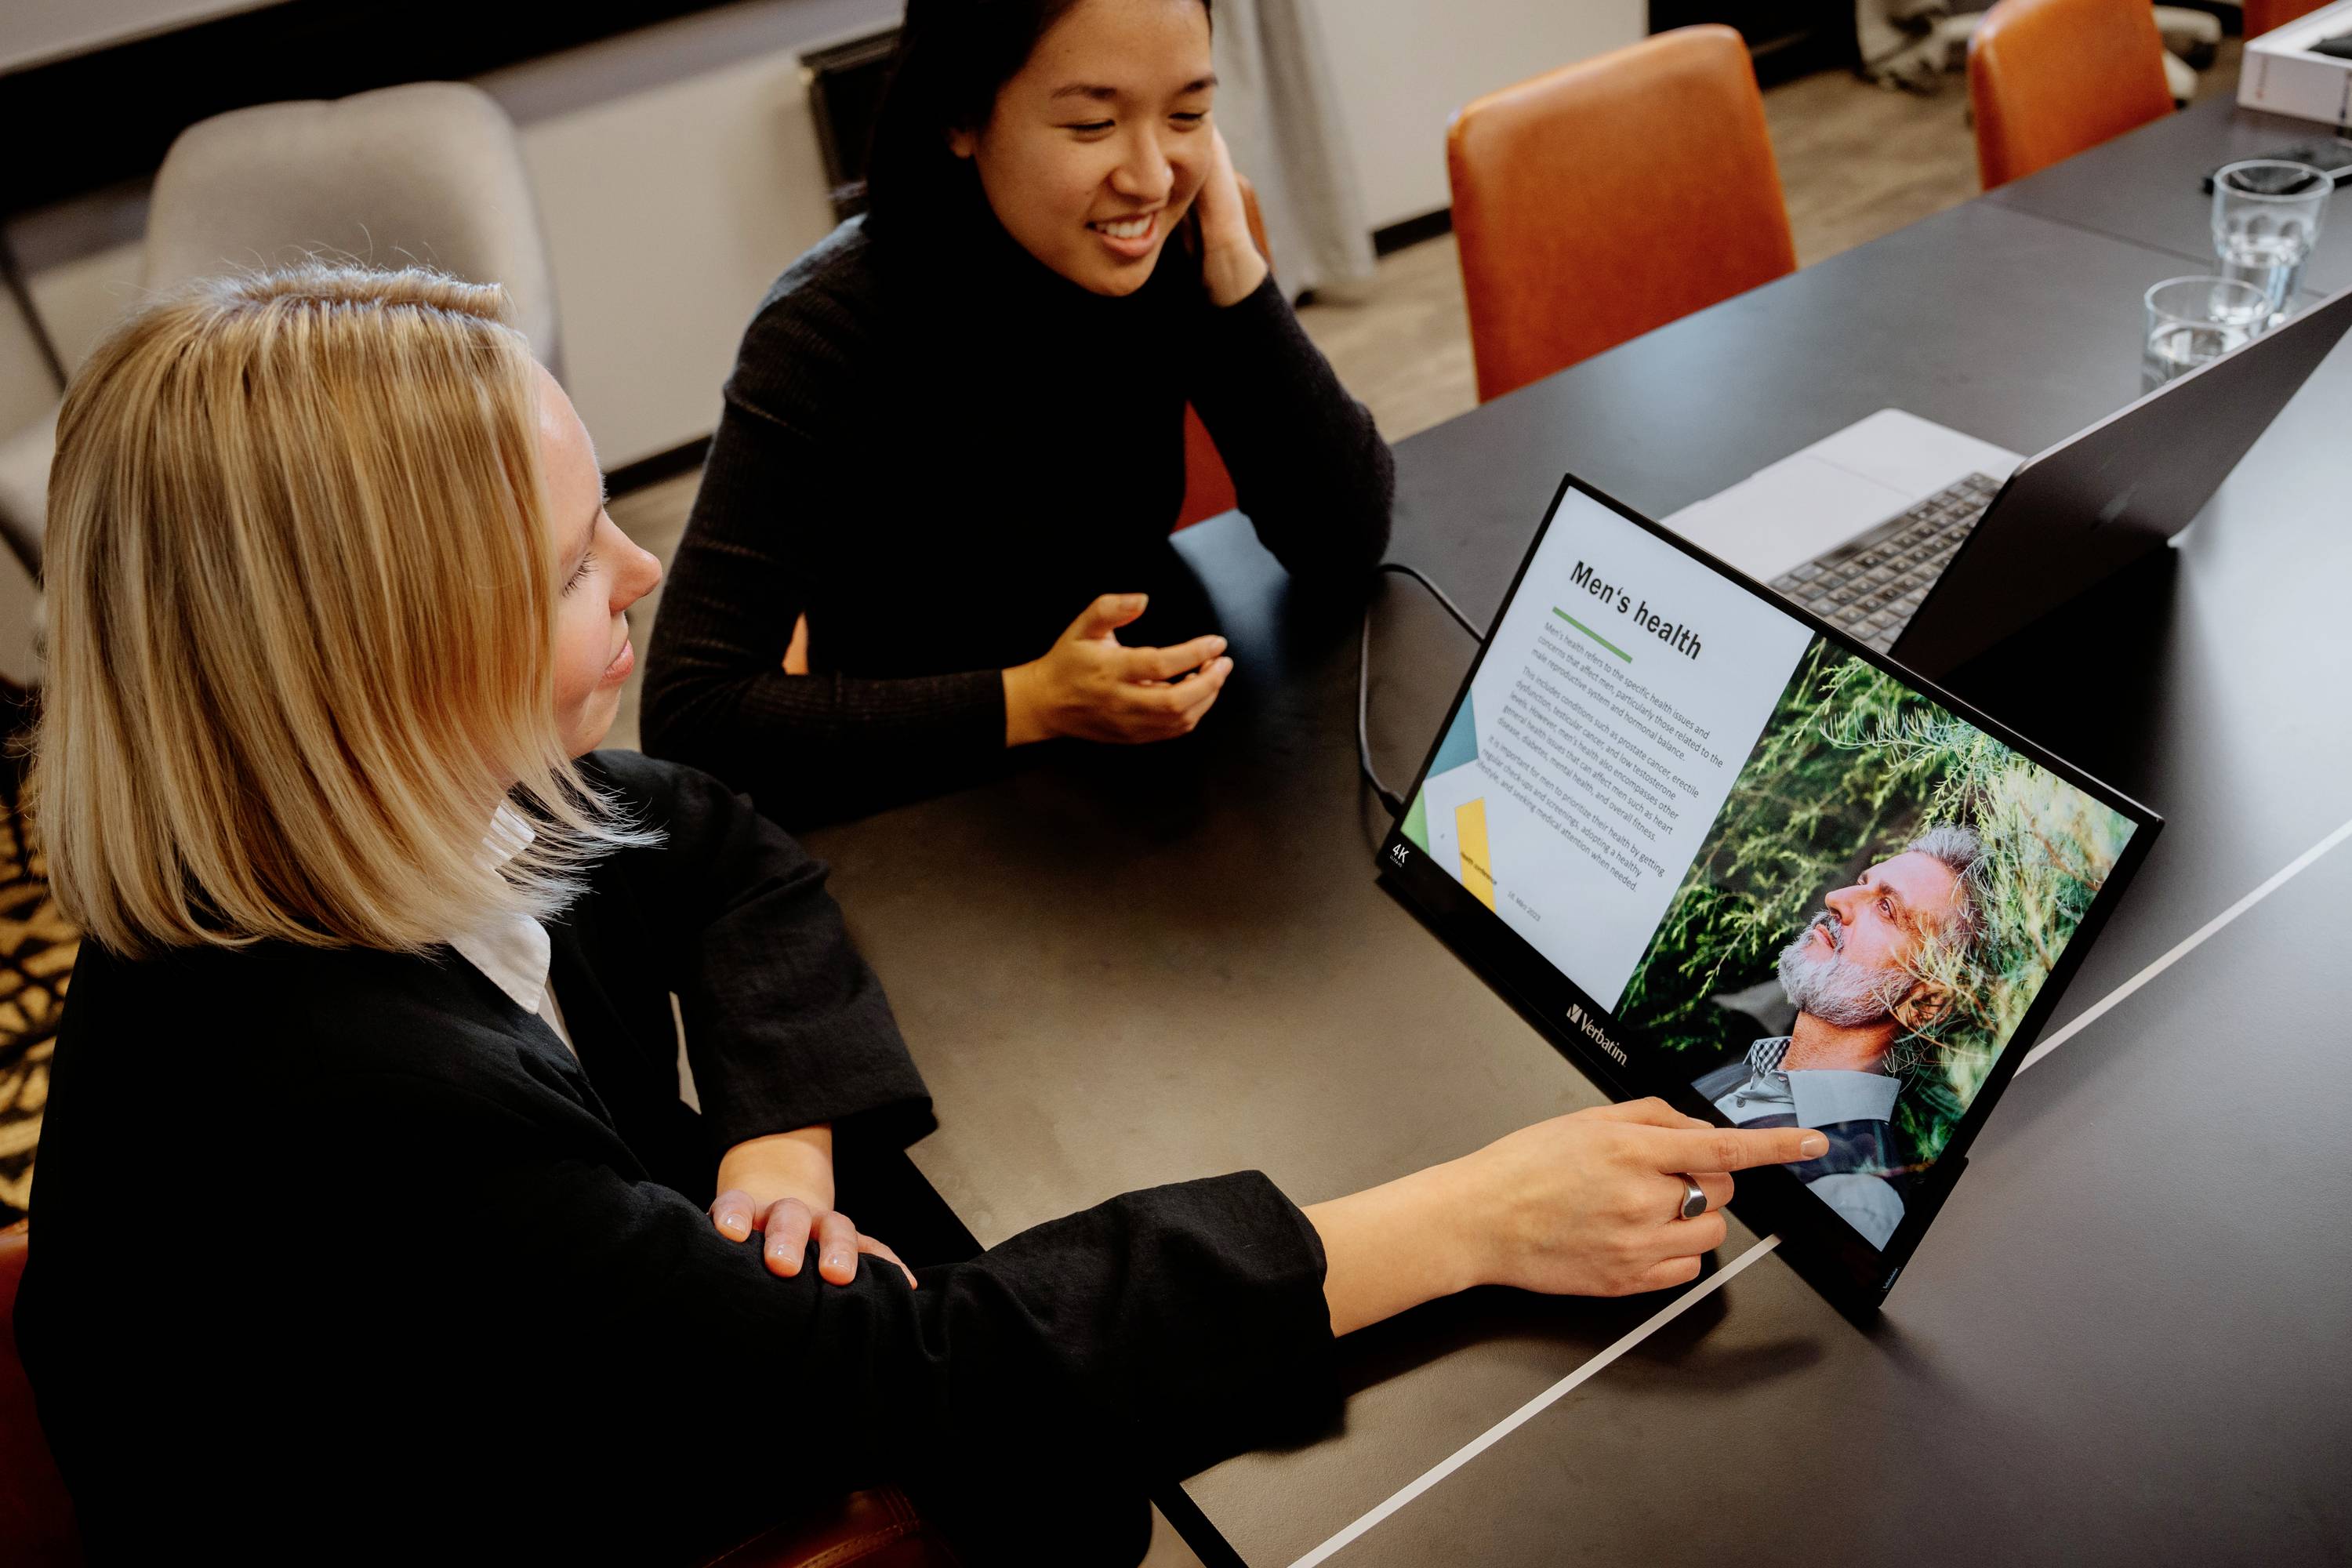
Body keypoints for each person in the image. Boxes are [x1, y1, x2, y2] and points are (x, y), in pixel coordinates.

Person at [16, 269, 1822, 1566]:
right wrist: (1465, 1210)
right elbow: (907, 1375)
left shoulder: (296, 829)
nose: (644, 570)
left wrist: (777, 1152)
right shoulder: (340, 1100)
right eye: (576, 563)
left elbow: (708, 829)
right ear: (375, 669)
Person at [640, 0, 1395, 828]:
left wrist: (1233, 262)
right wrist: (1030, 702)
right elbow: (693, 714)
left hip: (1164, 765)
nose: (1150, 177)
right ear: (961, 115)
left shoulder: (1164, 252)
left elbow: (1344, 538)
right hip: (932, 803)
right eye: (1092, 124)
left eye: (1188, 114)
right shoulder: (825, 331)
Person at [1691, 826, 1984, 1249]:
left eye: (1885, 907)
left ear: (1923, 1004)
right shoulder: (1749, 1072)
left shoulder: (1856, 1198)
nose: (1837, 899)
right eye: (1862, 882)